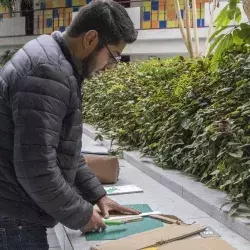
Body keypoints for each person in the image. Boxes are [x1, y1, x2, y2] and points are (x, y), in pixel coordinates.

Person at [0, 0, 138, 249]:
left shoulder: (58, 61)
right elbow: (37, 169)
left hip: (15, 207)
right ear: (91, 39)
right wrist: (82, 215)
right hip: (13, 215)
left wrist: (98, 195)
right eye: (114, 56)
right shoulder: (47, 72)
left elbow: (62, 151)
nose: (111, 67)